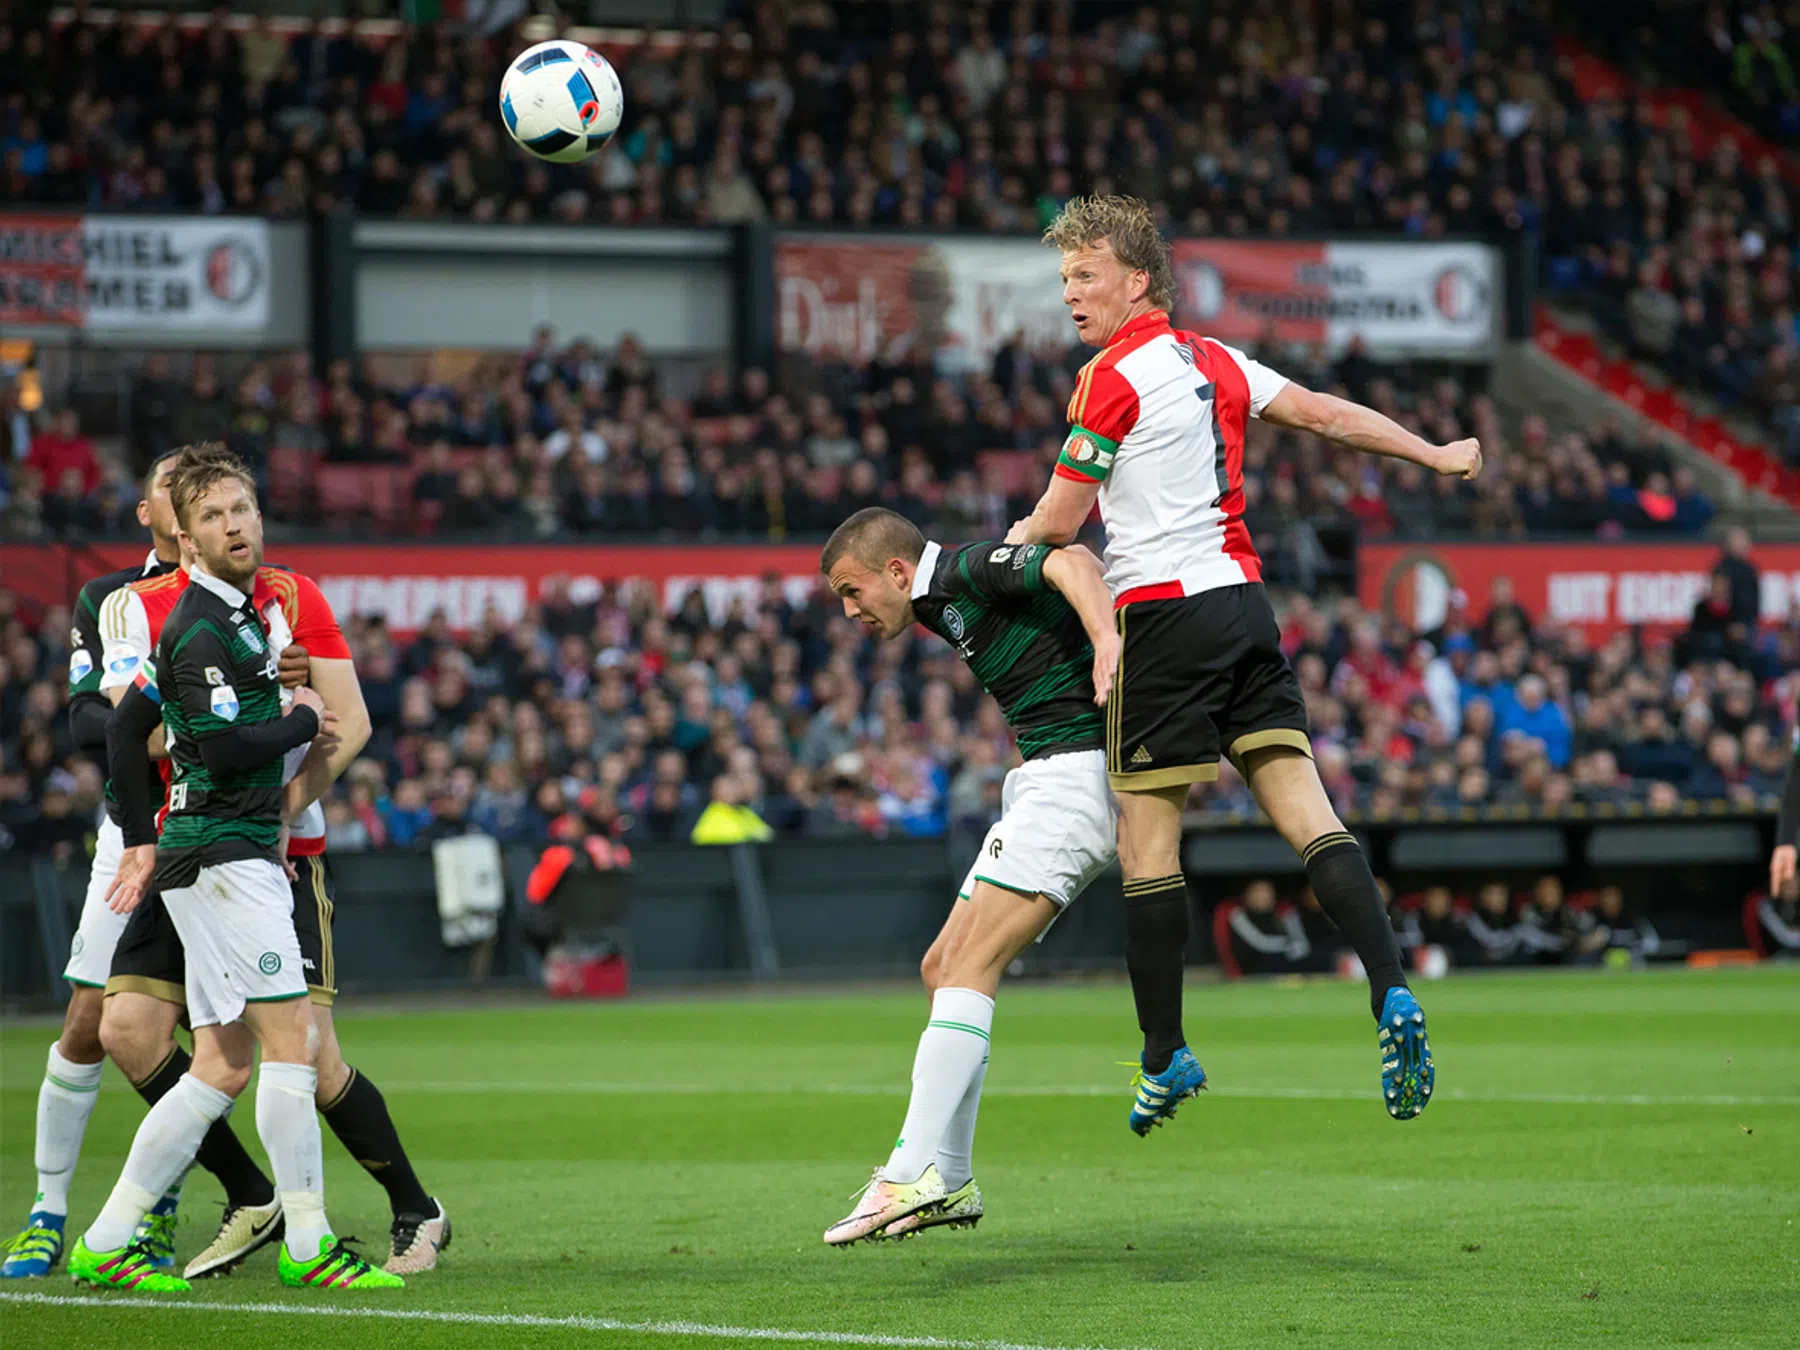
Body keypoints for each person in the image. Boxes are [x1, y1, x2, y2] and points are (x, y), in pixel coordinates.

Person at [1012, 195, 1478, 1126]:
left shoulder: (1107, 376)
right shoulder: (1213, 358)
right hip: (1245, 608)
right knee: (1311, 816)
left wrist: (1019, 541)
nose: (1071, 294)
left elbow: (1062, 523)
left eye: (1086, 274)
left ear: (1136, 280)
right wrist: (1431, 453)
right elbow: (1326, 416)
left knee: (1148, 848)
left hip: (1163, 618)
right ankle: (1388, 984)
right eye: (1064, 278)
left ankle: (1164, 1054)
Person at [95, 444, 448, 1279]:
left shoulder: (260, 608)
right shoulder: (191, 619)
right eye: (213, 515)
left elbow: (140, 732)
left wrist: (159, 826)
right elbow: (201, 742)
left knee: (224, 1060)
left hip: (225, 845)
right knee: (287, 1039)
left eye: (241, 510)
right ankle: (309, 1243)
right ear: (181, 532)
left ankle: (107, 1238)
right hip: (225, 850)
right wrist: (296, 718)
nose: (233, 525)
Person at [816, 507, 1121, 1245]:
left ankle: (907, 1173)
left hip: (1073, 780)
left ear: (895, 570)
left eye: (853, 592)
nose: (851, 611)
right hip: (1042, 781)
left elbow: (1074, 561)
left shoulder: (960, 570)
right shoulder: (936, 601)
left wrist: (1109, 641)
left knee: (970, 967)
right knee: (941, 966)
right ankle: (949, 1178)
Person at [0, 452, 203, 1279]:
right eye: (171, 487)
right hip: (132, 828)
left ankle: (160, 1206)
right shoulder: (109, 600)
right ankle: (48, 1211)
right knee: (89, 1022)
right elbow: (90, 720)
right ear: (149, 513)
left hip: (222, 831)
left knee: (208, 1032)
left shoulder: (258, 594)